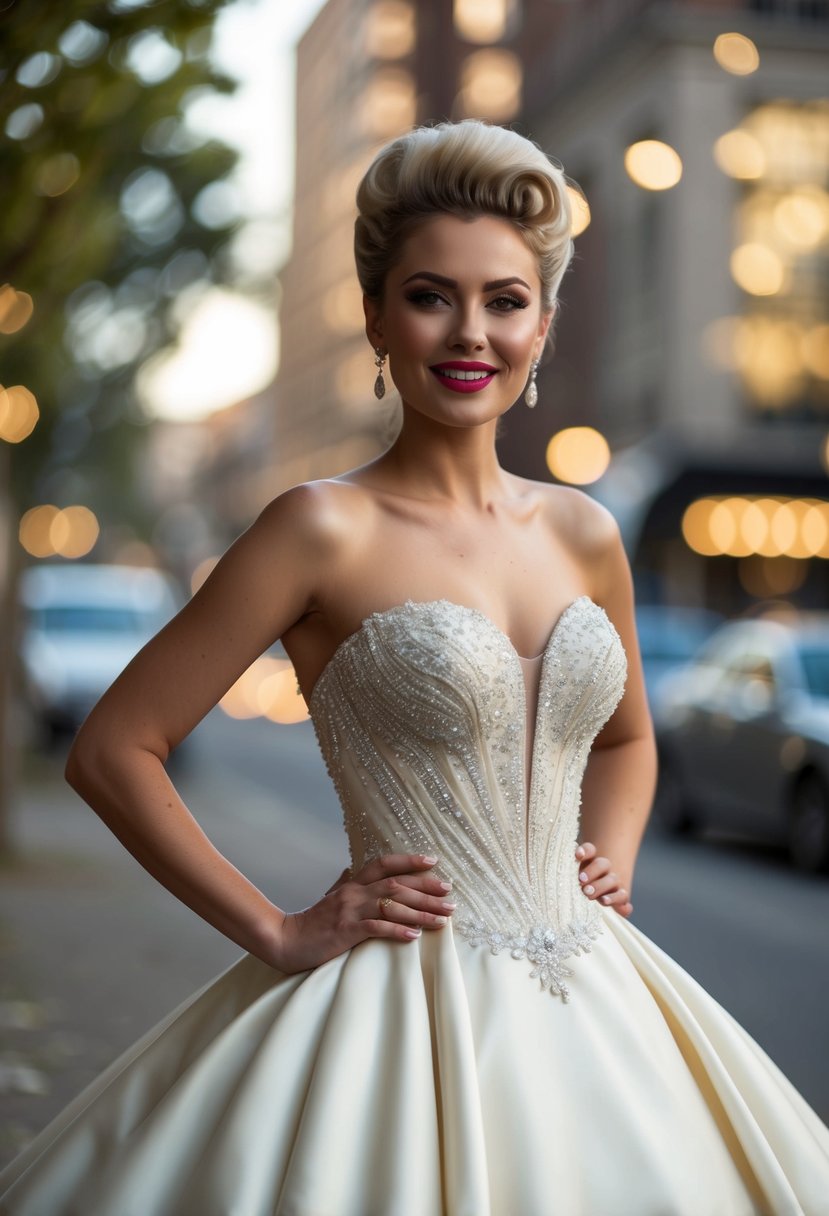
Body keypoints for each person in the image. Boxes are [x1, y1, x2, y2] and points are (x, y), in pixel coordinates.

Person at [1, 118, 827, 1216]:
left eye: (505, 299)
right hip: (398, 997)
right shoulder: (317, 528)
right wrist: (276, 928)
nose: (470, 331)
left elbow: (628, 735)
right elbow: (114, 748)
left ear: (542, 322)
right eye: (432, 294)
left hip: (599, 987)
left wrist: (609, 863)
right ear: (375, 316)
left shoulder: (585, 531)